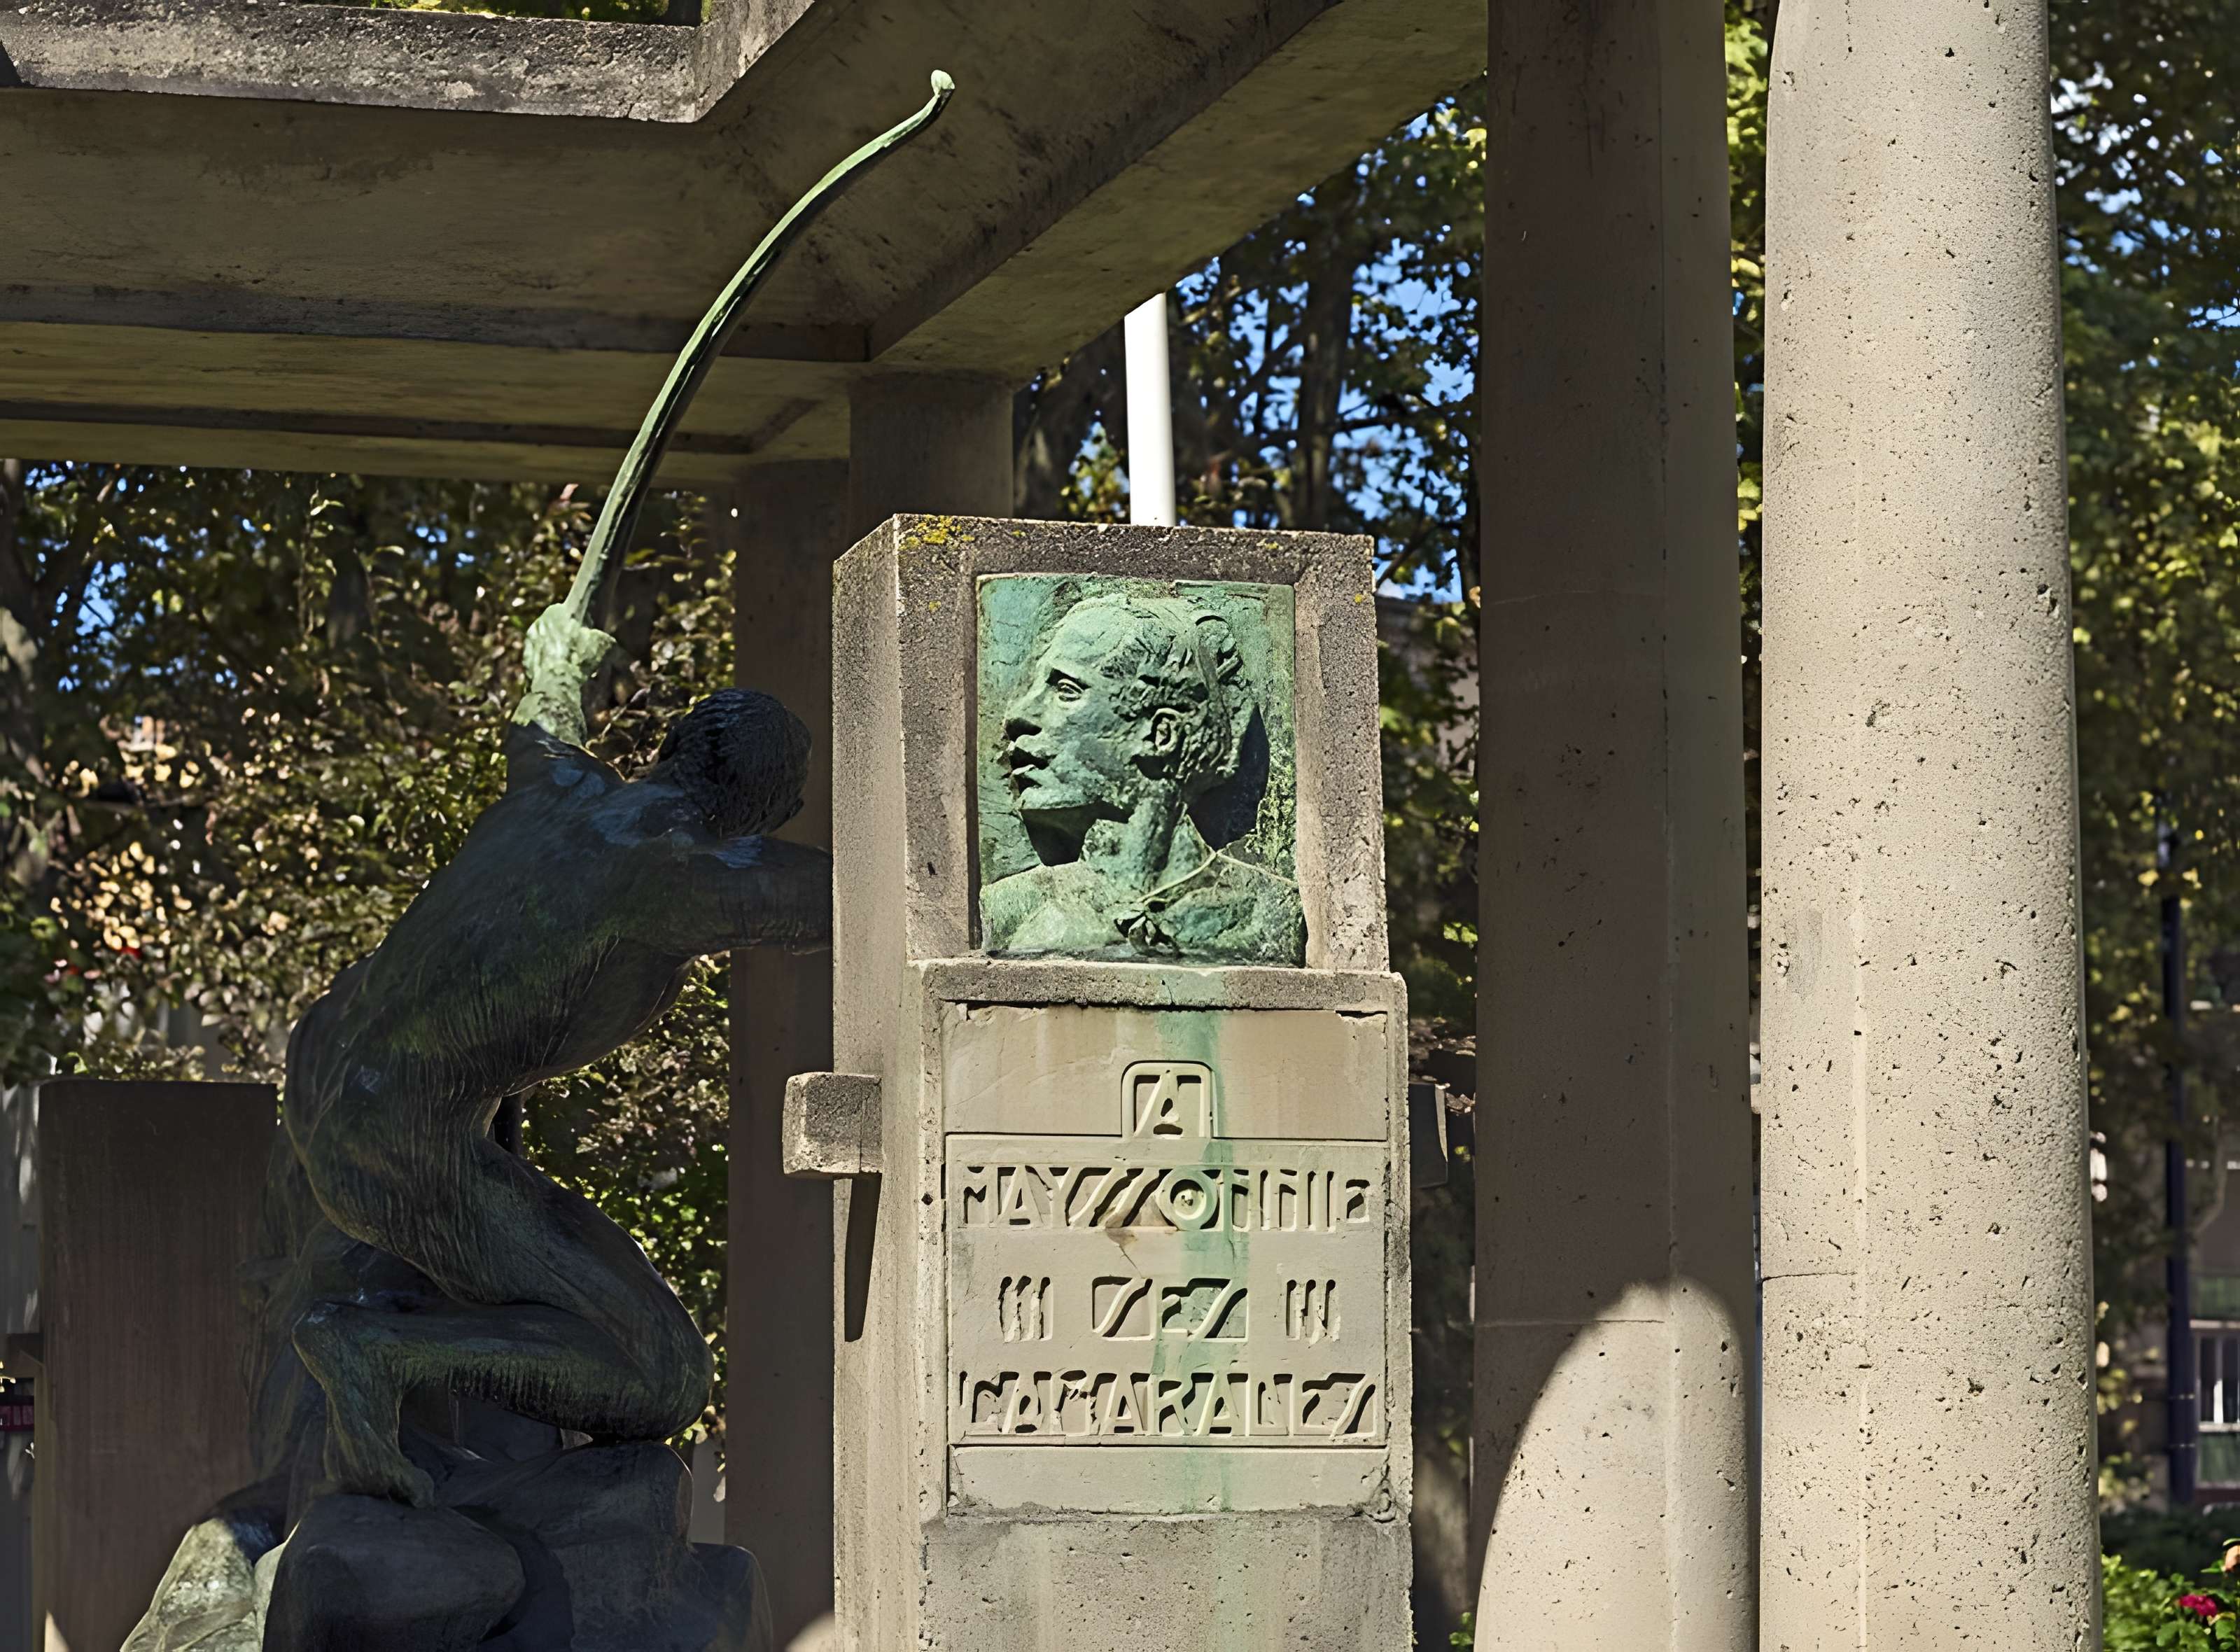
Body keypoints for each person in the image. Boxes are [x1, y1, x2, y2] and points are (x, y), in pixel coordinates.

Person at [281, 601, 830, 1508]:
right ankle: (372, 1350)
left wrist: (562, 660)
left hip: (328, 1084)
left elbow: (545, 712)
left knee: (551, 1283)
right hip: (401, 1156)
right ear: (765, 808)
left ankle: (407, 1374)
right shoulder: (684, 877)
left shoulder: (559, 790)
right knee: (661, 1374)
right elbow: (859, 897)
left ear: (676, 746)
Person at [986, 592, 1303, 965]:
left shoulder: (1270, 913)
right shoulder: (1014, 910)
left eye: (1066, 691)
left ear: (1161, 735)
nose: (1019, 715)